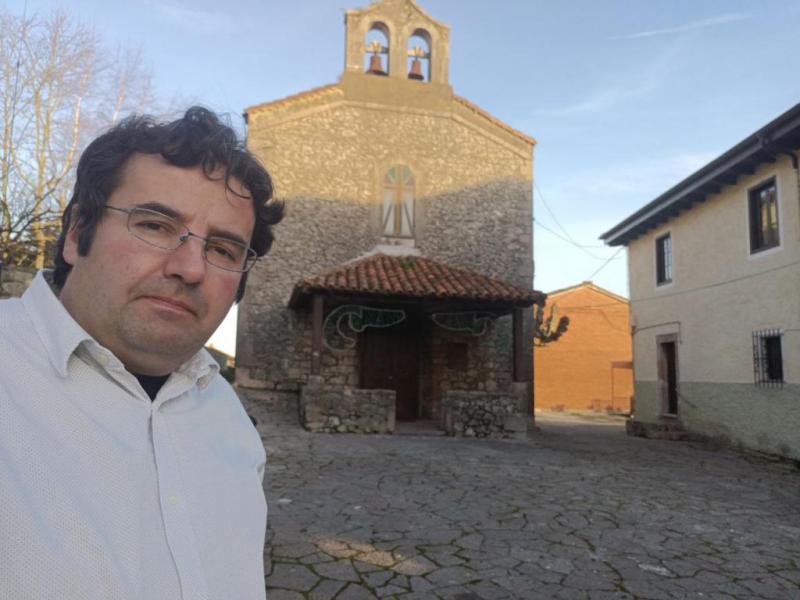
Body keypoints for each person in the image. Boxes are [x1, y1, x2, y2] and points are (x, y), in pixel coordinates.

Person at [0, 107, 283, 600]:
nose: (190, 268)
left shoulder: (231, 421)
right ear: (77, 233)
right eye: (155, 225)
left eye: (223, 250)